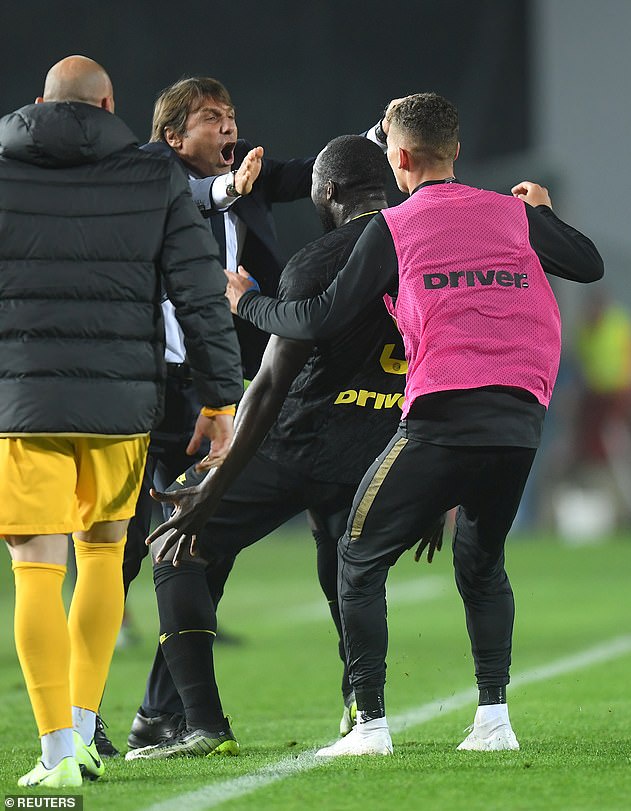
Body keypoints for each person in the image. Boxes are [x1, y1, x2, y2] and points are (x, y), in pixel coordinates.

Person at [213, 93, 604, 756]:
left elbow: (317, 320)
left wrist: (248, 301)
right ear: (456, 151)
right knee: (481, 564)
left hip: (442, 417)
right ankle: (494, 720)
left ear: (397, 160)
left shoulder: (392, 228)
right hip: (520, 420)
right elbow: (588, 264)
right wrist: (542, 212)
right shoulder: (511, 214)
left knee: (358, 557)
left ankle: (368, 726)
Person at [119, 77, 393, 752]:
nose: (228, 128)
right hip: (154, 386)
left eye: (232, 116)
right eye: (211, 118)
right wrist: (223, 193)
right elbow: (184, 197)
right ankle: (96, 710)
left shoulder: (251, 181)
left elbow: (320, 173)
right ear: (172, 136)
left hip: (223, 387)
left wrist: (379, 137)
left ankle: (167, 712)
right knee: (138, 546)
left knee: (192, 543)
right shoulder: (151, 178)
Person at [0, 55, 242, 787]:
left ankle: (55, 757)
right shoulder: (153, 175)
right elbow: (200, 293)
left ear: (39, 102)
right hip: (120, 408)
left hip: (25, 406)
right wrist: (222, 398)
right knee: (102, 559)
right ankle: (79, 728)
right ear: (110, 104)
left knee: (36, 569)